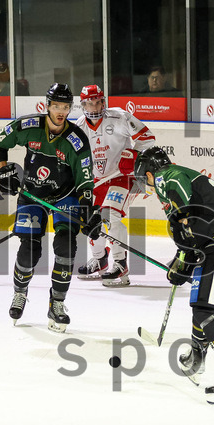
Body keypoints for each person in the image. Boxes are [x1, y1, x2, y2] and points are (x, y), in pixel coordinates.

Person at [135, 147, 214, 404]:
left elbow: (183, 202)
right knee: (201, 303)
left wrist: (182, 216)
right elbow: (193, 241)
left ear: (149, 172)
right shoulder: (186, 177)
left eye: (144, 178)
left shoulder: (167, 175)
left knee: (207, 313)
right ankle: (196, 358)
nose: (147, 184)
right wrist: (182, 264)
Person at [0, 83, 102, 332]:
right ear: (47, 106)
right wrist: (2, 170)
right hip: (32, 194)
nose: (61, 111)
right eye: (56, 106)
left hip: (66, 195)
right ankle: (20, 292)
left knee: (66, 246)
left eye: (65, 107)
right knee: (29, 250)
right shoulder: (29, 126)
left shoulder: (76, 139)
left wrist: (88, 211)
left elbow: (84, 179)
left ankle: (57, 303)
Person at [72, 84, 157, 286]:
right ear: (83, 105)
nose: (93, 108)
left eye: (97, 102)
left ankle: (120, 263)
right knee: (91, 220)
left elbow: (148, 138)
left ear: (103, 102)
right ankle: (100, 258)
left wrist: (134, 155)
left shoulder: (121, 117)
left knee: (110, 216)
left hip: (122, 177)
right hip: (95, 181)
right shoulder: (80, 126)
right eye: (88, 104)